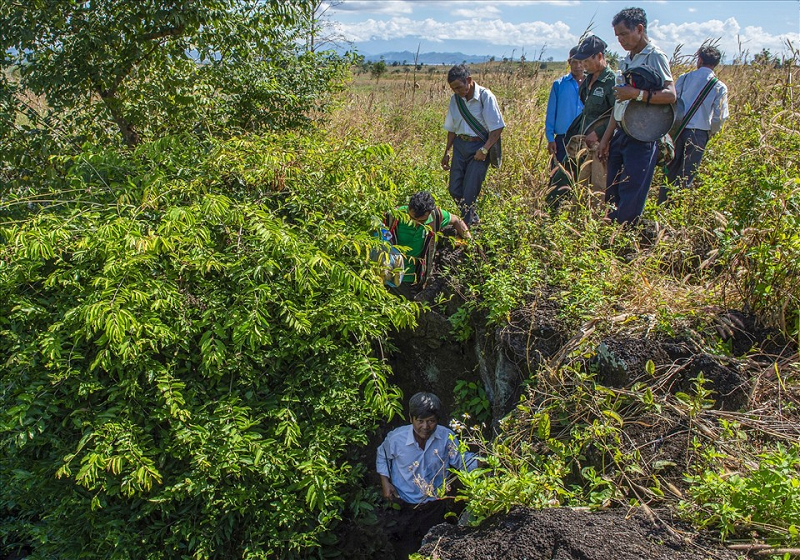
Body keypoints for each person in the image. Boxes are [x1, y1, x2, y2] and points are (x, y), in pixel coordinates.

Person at [597, 7, 676, 225]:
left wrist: (637, 94)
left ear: (639, 29)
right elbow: (619, 105)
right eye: (617, 36)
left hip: (642, 136)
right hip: (621, 132)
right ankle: (610, 236)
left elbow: (670, 95)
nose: (620, 40)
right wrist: (606, 139)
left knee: (632, 190)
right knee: (613, 189)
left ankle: (625, 240)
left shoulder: (654, 57)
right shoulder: (626, 61)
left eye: (624, 34)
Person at [376, 392, 478, 559]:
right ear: (411, 419)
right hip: (403, 504)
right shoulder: (396, 439)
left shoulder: (446, 437)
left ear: (437, 420)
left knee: (434, 548)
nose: (425, 426)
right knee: (405, 550)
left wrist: (486, 461)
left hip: (434, 505)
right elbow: (382, 455)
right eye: (420, 421)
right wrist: (385, 483)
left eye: (431, 421)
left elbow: (461, 461)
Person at [547, 35, 616, 206]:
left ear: (599, 56)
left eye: (586, 61)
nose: (582, 65)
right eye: (580, 61)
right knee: (562, 178)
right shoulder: (588, 80)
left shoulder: (611, 81)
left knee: (594, 188)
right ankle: (552, 213)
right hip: (579, 139)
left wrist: (600, 134)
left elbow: (618, 114)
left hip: (598, 145)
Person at [658, 45, 728, 204]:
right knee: (687, 174)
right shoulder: (719, 86)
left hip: (677, 131)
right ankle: (676, 209)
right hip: (699, 134)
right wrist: (710, 132)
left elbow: (673, 103)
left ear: (700, 59)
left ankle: (661, 206)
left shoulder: (684, 78)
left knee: (669, 171)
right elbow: (720, 117)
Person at [442, 64, 505, 226]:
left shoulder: (485, 97)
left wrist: (484, 150)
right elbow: (451, 128)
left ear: (469, 80)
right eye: (453, 89)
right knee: (454, 189)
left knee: (469, 193)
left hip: (479, 149)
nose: (457, 91)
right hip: (460, 146)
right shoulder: (455, 100)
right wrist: (447, 151)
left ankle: (467, 229)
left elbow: (497, 127)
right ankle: (472, 220)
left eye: (459, 87)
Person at [382, 191, 471, 297]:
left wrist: (470, 242)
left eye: (421, 221)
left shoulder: (436, 217)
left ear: (429, 213)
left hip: (417, 280)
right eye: (412, 218)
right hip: (390, 275)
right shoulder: (394, 216)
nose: (415, 223)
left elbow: (456, 220)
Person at [545, 46, 585, 168]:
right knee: (559, 176)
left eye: (581, 62)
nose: (578, 65)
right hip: (563, 139)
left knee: (582, 177)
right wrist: (550, 138)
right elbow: (551, 113)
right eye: (574, 62)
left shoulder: (592, 84)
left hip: (585, 138)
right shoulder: (559, 84)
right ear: (569, 63)